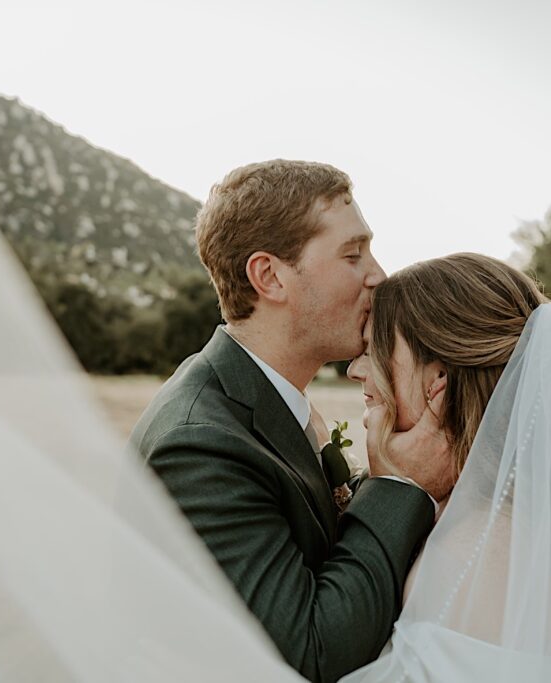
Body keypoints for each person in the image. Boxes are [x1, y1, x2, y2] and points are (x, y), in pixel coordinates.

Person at [129, 160, 455, 683]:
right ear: (270, 277)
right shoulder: (200, 447)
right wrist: (400, 483)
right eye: (353, 254)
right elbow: (309, 653)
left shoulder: (269, 401)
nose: (378, 274)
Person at [341, 254, 551, 682]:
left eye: (374, 350)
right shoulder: (527, 520)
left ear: (438, 380)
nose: (355, 370)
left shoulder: (470, 558)